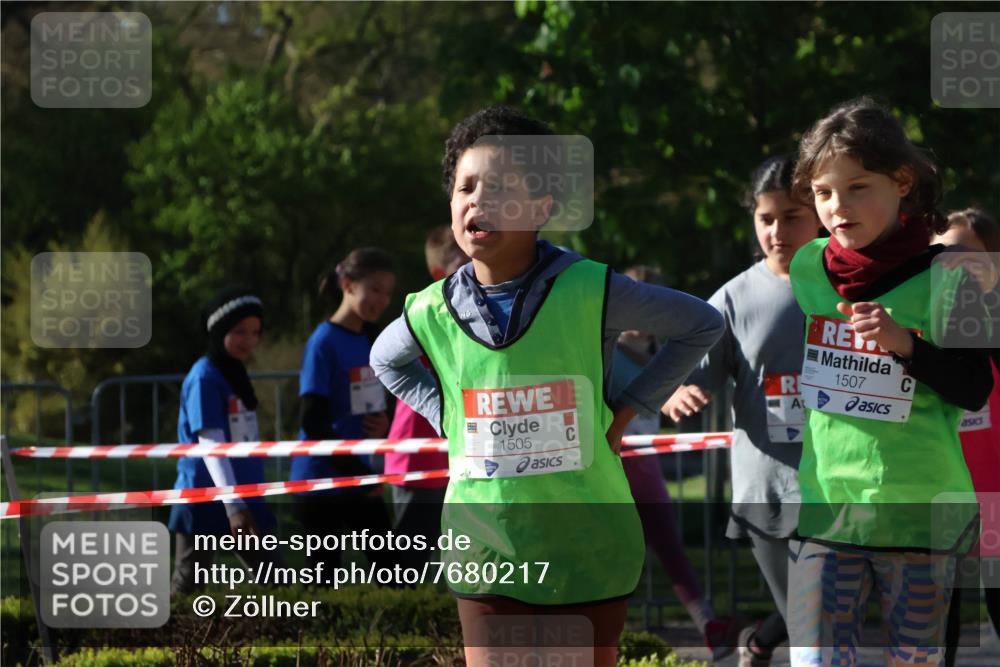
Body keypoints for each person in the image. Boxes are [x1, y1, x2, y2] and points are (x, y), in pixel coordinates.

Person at [371, 106, 725, 666]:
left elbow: (702, 324)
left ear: (541, 206)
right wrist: (447, 417)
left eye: (498, 187)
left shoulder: (591, 288)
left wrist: (628, 409)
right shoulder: (431, 309)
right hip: (485, 544)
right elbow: (385, 361)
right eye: (465, 187)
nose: (477, 200)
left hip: (586, 542)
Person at [784, 97, 994, 666]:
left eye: (857, 188)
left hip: (917, 514)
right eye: (823, 192)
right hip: (829, 508)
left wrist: (906, 345)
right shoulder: (807, 268)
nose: (838, 207)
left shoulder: (952, 279)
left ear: (902, 182)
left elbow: (975, 387)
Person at [663, 154, 822, 666]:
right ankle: (765, 641)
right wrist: (676, 393)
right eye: (766, 218)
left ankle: (759, 642)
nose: (777, 232)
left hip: (842, 480)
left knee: (820, 614)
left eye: (792, 217)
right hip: (768, 487)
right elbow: (687, 374)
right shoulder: (732, 299)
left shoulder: (852, 285)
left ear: (819, 214)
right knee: (811, 620)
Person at [615, 265, 741, 661]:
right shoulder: (606, 348)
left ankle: (708, 625)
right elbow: (625, 390)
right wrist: (666, 398)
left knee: (669, 548)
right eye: (634, 300)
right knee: (611, 554)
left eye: (649, 303)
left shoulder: (665, 353)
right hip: (609, 465)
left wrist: (680, 396)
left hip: (643, 463)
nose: (640, 313)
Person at [168, 286, 281, 595]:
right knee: (187, 587)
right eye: (239, 331)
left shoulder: (234, 373)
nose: (249, 340)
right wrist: (233, 506)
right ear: (219, 332)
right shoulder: (204, 377)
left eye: (255, 332)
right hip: (206, 497)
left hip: (246, 495)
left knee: (277, 581)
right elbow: (211, 444)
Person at [291, 248, 397, 573]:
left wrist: (385, 423)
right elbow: (312, 420)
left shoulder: (373, 339)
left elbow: (380, 400)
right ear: (348, 285)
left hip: (359, 476)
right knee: (323, 578)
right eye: (375, 289)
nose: (382, 300)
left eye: (388, 293)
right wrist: (358, 472)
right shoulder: (323, 342)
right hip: (320, 479)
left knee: (394, 571)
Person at [933, 208, 1000, 667]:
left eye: (968, 257)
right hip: (940, 496)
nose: (954, 267)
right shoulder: (917, 329)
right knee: (940, 630)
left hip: (995, 499)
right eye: (943, 256)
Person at [383, 226, 467, 570]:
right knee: (406, 565)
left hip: (451, 459)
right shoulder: (426, 313)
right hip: (416, 462)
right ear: (438, 273)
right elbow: (386, 363)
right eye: (463, 264)